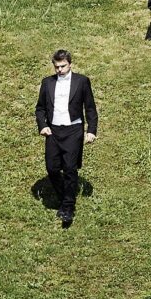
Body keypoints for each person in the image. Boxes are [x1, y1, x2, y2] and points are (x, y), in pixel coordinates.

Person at [33, 48, 99, 229]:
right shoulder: (47, 83)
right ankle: (64, 198)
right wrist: (42, 125)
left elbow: (90, 108)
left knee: (70, 168)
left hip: (73, 130)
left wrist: (91, 130)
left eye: (62, 66)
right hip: (53, 131)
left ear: (70, 64)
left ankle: (68, 207)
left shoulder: (82, 81)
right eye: (56, 67)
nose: (59, 70)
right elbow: (40, 109)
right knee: (52, 168)